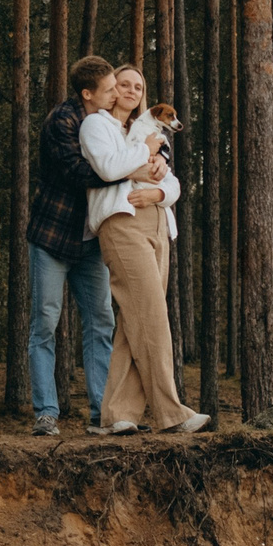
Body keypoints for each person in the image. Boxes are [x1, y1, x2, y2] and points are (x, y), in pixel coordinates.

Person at [83, 64, 207, 435]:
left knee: (134, 319)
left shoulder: (148, 130)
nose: (131, 90)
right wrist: (145, 154)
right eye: (123, 84)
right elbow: (108, 169)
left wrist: (157, 192)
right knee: (151, 315)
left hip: (158, 223)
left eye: (138, 86)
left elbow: (173, 184)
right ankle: (172, 414)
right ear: (110, 90)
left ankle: (118, 414)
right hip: (122, 222)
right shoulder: (98, 125)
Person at [26, 55, 143, 437]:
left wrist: (144, 163)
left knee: (101, 321)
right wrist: (130, 168)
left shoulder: (111, 123)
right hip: (52, 236)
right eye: (109, 90)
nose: (116, 95)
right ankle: (46, 413)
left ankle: (102, 411)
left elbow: (142, 144)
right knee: (45, 323)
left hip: (90, 239)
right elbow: (80, 173)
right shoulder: (62, 122)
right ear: (87, 94)